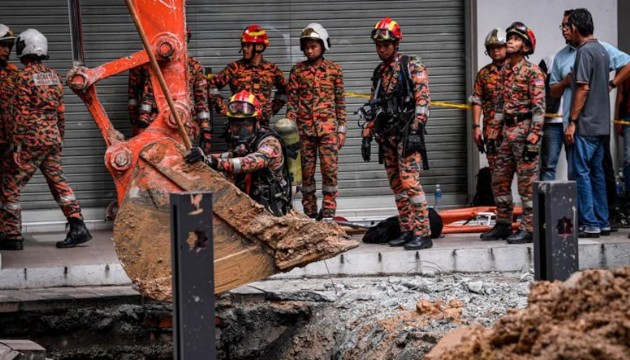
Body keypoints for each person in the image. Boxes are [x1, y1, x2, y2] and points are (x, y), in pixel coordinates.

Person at [0, 29, 92, 250]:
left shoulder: (22, 77)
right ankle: (78, 224)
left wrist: (16, 145)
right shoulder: (54, 77)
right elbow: (61, 112)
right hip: (52, 139)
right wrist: (59, 137)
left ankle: (11, 236)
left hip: (30, 140)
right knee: (58, 181)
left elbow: (20, 114)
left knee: (10, 184)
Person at [549, 9, 630, 231]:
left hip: (584, 126)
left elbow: (583, 89)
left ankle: (589, 223)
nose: (565, 30)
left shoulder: (584, 52)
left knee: (580, 173)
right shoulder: (602, 51)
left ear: (575, 28)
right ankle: (602, 221)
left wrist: (572, 121)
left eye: (567, 26)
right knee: (597, 174)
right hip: (601, 125)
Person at [360, 17, 432, 250]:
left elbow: (423, 101)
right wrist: (367, 133)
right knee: (397, 187)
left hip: (407, 134)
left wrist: (416, 129)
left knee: (411, 185)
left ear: (396, 44)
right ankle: (407, 229)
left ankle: (423, 233)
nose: (382, 49)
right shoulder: (379, 73)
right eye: (379, 46)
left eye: (386, 45)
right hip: (387, 136)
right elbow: (374, 104)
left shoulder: (412, 66)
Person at [480, 22, 545, 244]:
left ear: (526, 47)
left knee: (526, 184)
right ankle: (503, 223)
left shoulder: (532, 72)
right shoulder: (505, 71)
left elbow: (539, 108)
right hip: (506, 133)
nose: (510, 41)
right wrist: (491, 134)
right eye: (509, 37)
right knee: (498, 179)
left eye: (516, 39)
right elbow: (499, 106)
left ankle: (529, 228)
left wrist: (534, 137)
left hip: (525, 131)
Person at [185, 90, 291, 216]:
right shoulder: (245, 145)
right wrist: (203, 156)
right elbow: (229, 156)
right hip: (247, 208)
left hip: (271, 212)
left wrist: (212, 161)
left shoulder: (271, 144)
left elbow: (248, 163)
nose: (241, 129)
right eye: (235, 124)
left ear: (256, 122)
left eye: (246, 124)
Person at [287, 23, 346, 220]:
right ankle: (311, 216)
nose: (309, 50)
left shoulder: (334, 70)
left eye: (314, 46)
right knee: (306, 176)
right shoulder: (297, 71)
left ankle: (329, 215)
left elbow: (340, 102)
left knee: (330, 174)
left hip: (328, 131)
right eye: (307, 46)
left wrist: (341, 130)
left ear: (323, 46)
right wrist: (289, 130)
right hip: (304, 133)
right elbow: (292, 103)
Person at [137, 30, 211, 142]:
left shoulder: (194, 66)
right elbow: (148, 96)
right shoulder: (157, 66)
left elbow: (201, 99)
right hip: (158, 124)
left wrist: (205, 129)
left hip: (185, 123)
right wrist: (143, 123)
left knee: (182, 157)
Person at [208, 25, 288, 126]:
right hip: (238, 126)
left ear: (260, 47)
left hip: (262, 126)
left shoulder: (272, 69)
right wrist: (224, 109)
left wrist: (272, 109)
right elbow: (212, 86)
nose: (244, 49)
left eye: (248, 46)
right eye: (243, 45)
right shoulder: (234, 68)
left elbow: (285, 91)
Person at [470, 28, 507, 171]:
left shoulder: (516, 70)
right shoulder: (484, 74)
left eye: (499, 47)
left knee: (521, 171)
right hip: (492, 130)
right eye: (492, 48)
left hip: (515, 129)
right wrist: (476, 127)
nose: (495, 51)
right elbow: (476, 100)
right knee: (496, 172)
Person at [538, 53, 564, 181]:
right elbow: (537, 88)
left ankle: (579, 201)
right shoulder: (550, 58)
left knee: (580, 167)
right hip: (552, 120)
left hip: (577, 121)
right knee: (548, 165)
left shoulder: (585, 58)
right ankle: (545, 201)